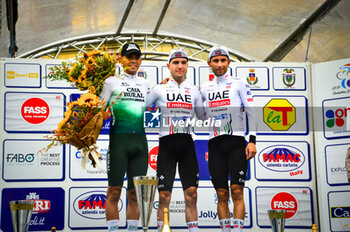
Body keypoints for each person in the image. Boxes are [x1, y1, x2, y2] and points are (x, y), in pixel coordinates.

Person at [146, 49, 205, 232]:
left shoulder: (194, 90)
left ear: (187, 66)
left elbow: (203, 116)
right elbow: (140, 107)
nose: (180, 66)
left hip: (187, 143)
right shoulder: (159, 88)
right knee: (164, 195)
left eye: (183, 63)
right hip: (166, 144)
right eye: (176, 63)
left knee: (191, 195)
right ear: (168, 66)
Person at [200, 46, 258, 232]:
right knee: (222, 193)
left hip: (236, 142)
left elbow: (252, 112)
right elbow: (190, 104)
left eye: (223, 60)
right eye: (215, 61)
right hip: (215, 144)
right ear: (209, 64)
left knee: (237, 191)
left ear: (228, 63)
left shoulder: (239, 83)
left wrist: (252, 141)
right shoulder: (204, 88)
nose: (219, 64)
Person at [100, 42, 149, 232]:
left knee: (135, 193)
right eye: (129, 57)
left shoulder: (145, 84)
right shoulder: (110, 82)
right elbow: (98, 110)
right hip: (119, 141)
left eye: (136, 57)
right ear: (121, 59)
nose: (133, 61)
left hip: (140, 145)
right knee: (114, 192)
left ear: (140, 61)